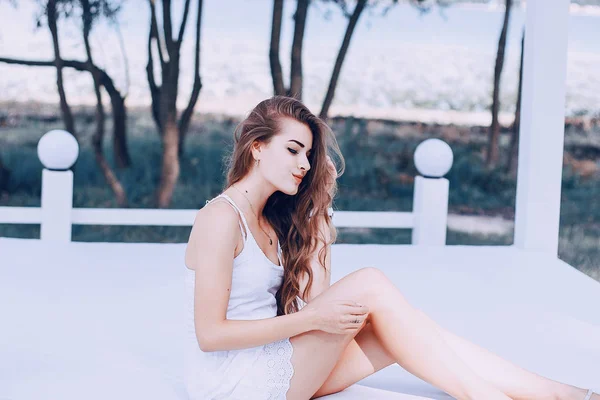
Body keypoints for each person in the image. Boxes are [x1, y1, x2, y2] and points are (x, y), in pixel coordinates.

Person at [183, 96, 597, 400]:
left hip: (272, 360)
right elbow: (210, 335)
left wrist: (320, 217)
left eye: (308, 154)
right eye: (293, 150)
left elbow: (319, 305)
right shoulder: (221, 218)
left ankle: (561, 394)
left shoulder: (273, 218)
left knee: (407, 331)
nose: (305, 164)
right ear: (256, 147)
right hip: (233, 380)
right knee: (370, 284)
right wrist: (311, 319)